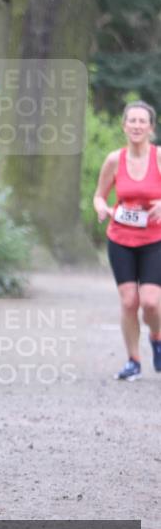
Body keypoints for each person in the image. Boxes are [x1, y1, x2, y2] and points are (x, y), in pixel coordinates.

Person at [93, 100, 161, 380]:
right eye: (131, 121)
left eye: (141, 121)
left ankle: (157, 338)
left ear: (151, 128)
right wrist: (100, 206)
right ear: (124, 126)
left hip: (155, 239)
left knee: (151, 303)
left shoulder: (159, 158)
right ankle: (133, 360)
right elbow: (99, 195)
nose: (136, 126)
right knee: (129, 301)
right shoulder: (114, 160)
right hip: (120, 238)